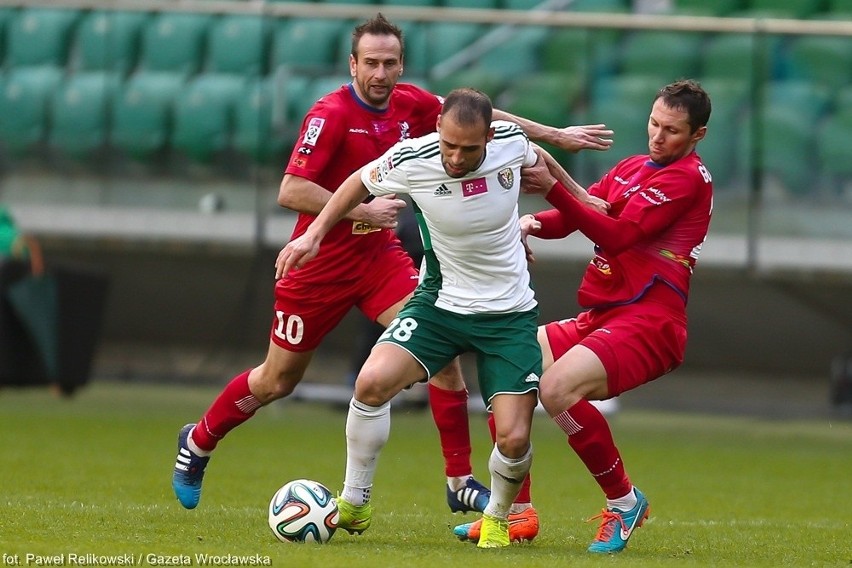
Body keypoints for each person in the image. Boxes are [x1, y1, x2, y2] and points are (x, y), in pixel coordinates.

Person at [171, 13, 613, 519]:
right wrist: (361, 212)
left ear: (402, 64)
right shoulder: (329, 114)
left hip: (379, 259)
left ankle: (458, 480)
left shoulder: (415, 104)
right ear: (352, 64)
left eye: (390, 63)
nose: (381, 73)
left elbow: (488, 123)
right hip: (321, 265)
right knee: (277, 380)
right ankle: (199, 440)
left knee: (441, 353)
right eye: (371, 63)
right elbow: (290, 190)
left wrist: (556, 135)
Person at [277, 87, 551, 548]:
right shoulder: (412, 156)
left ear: (488, 137)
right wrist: (314, 236)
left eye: (469, 148)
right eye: (449, 145)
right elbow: (356, 183)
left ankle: (499, 518)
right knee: (371, 383)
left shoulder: (509, 143)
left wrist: (579, 196)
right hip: (439, 304)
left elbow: (543, 162)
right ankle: (354, 502)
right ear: (438, 128)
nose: (457, 157)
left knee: (514, 438)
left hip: (508, 314)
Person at [456, 79, 713, 553]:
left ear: (697, 136)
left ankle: (624, 501)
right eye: (654, 123)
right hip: (604, 315)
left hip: (649, 319)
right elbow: (582, 212)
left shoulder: (686, 179)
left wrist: (552, 188)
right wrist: (533, 221)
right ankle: (516, 512)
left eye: (673, 131)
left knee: (556, 391)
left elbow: (617, 235)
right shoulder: (634, 167)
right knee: (507, 362)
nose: (658, 136)